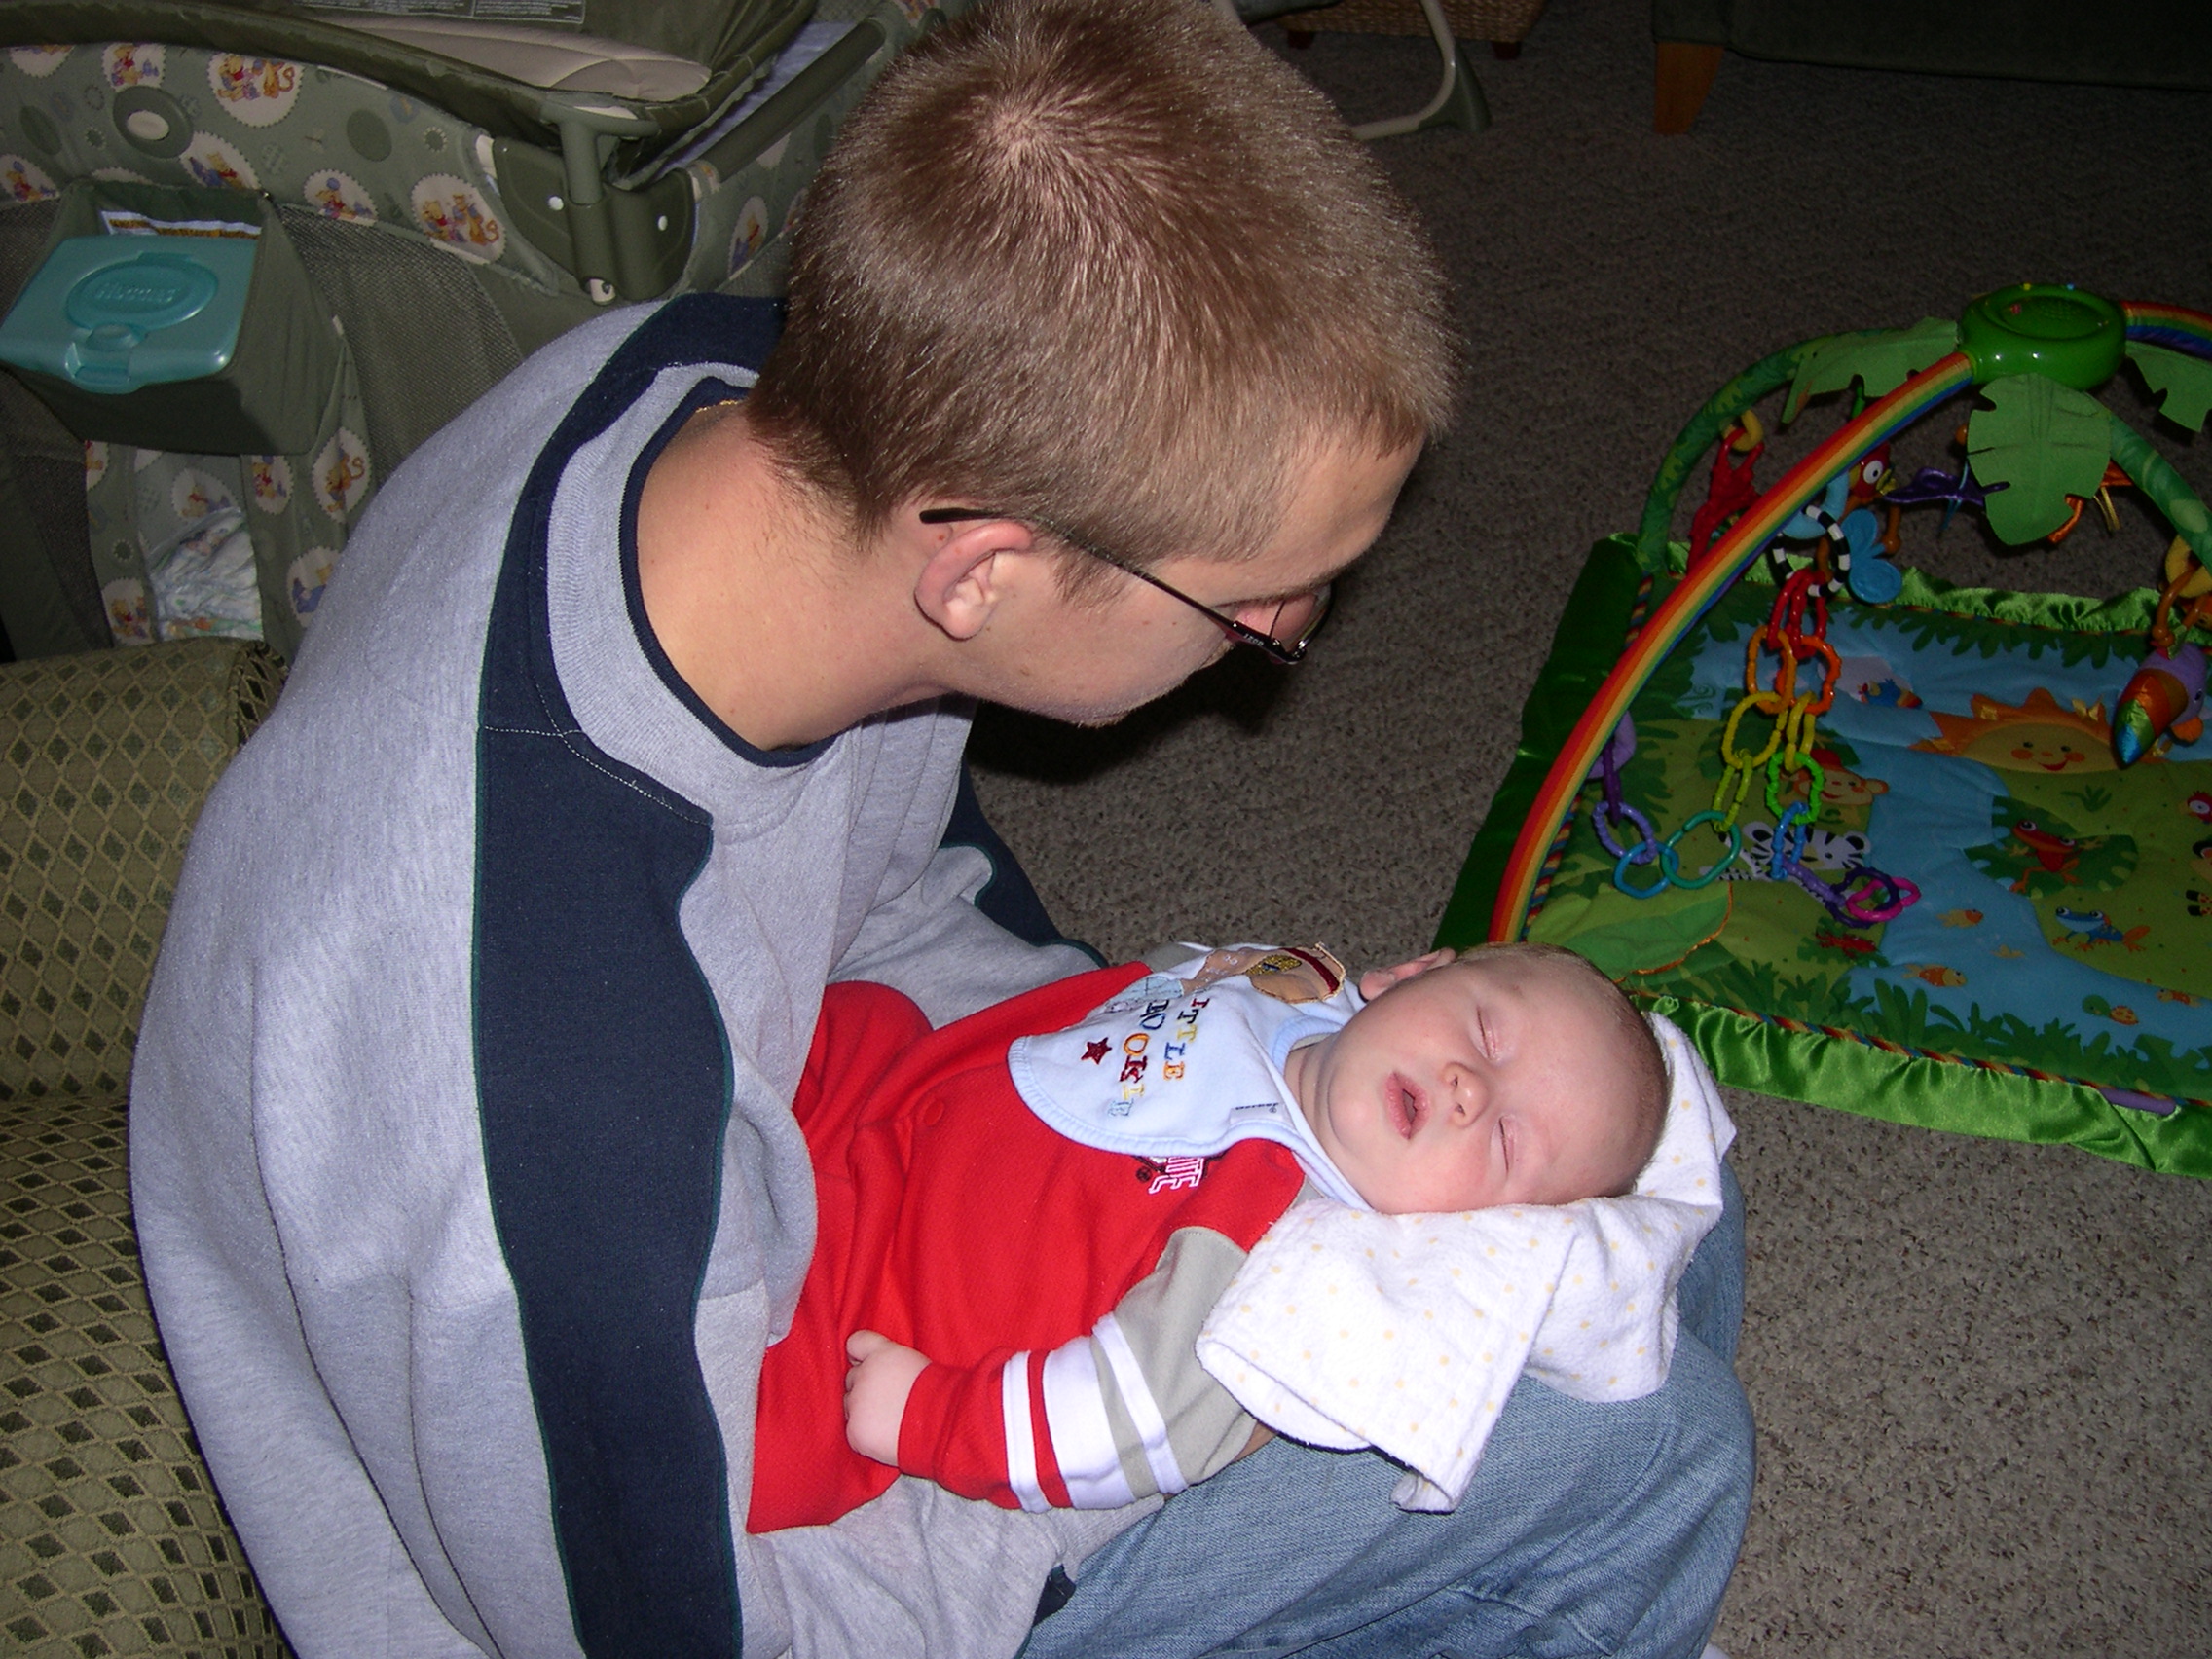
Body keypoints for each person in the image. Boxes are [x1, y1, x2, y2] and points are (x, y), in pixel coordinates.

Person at [129, 0, 1751, 1655]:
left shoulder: (705, 388)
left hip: (823, 1147)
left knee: (1608, 1125)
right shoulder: (548, 1090)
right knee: (1638, 1446)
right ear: (980, 570)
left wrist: (1164, 1087)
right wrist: (1143, 1399)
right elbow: (703, 1622)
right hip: (752, 1521)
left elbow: (893, 877)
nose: (1285, 636)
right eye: (1263, 608)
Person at [748, 940, 1671, 1534]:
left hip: (880, 1298)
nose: (1473, 1088)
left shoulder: (1287, 1255)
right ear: (1416, 973)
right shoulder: (1294, 985)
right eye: (1485, 1031)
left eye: (1505, 1141)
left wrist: (932, 1417)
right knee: (853, 1008)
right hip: (888, 1089)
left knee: (774, 1455)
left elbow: (1136, 1418)